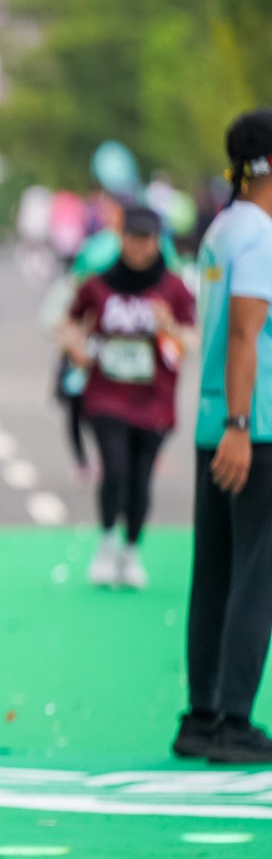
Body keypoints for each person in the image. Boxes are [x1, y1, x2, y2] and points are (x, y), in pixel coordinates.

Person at [174, 109, 272, 764]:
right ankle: (235, 722)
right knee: (256, 572)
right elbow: (244, 332)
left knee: (213, 571)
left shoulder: (223, 227)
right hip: (252, 427)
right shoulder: (260, 234)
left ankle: (201, 715)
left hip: (216, 425)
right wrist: (242, 424)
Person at [59, 205, 195, 589]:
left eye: (147, 239)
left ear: (157, 242)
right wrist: (76, 347)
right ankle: (106, 543)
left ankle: (131, 551)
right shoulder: (97, 285)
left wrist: (169, 326)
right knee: (115, 468)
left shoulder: (174, 289)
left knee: (140, 478)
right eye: (133, 238)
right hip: (107, 395)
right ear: (123, 239)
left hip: (155, 400)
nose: (140, 246)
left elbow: (191, 340)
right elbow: (68, 323)